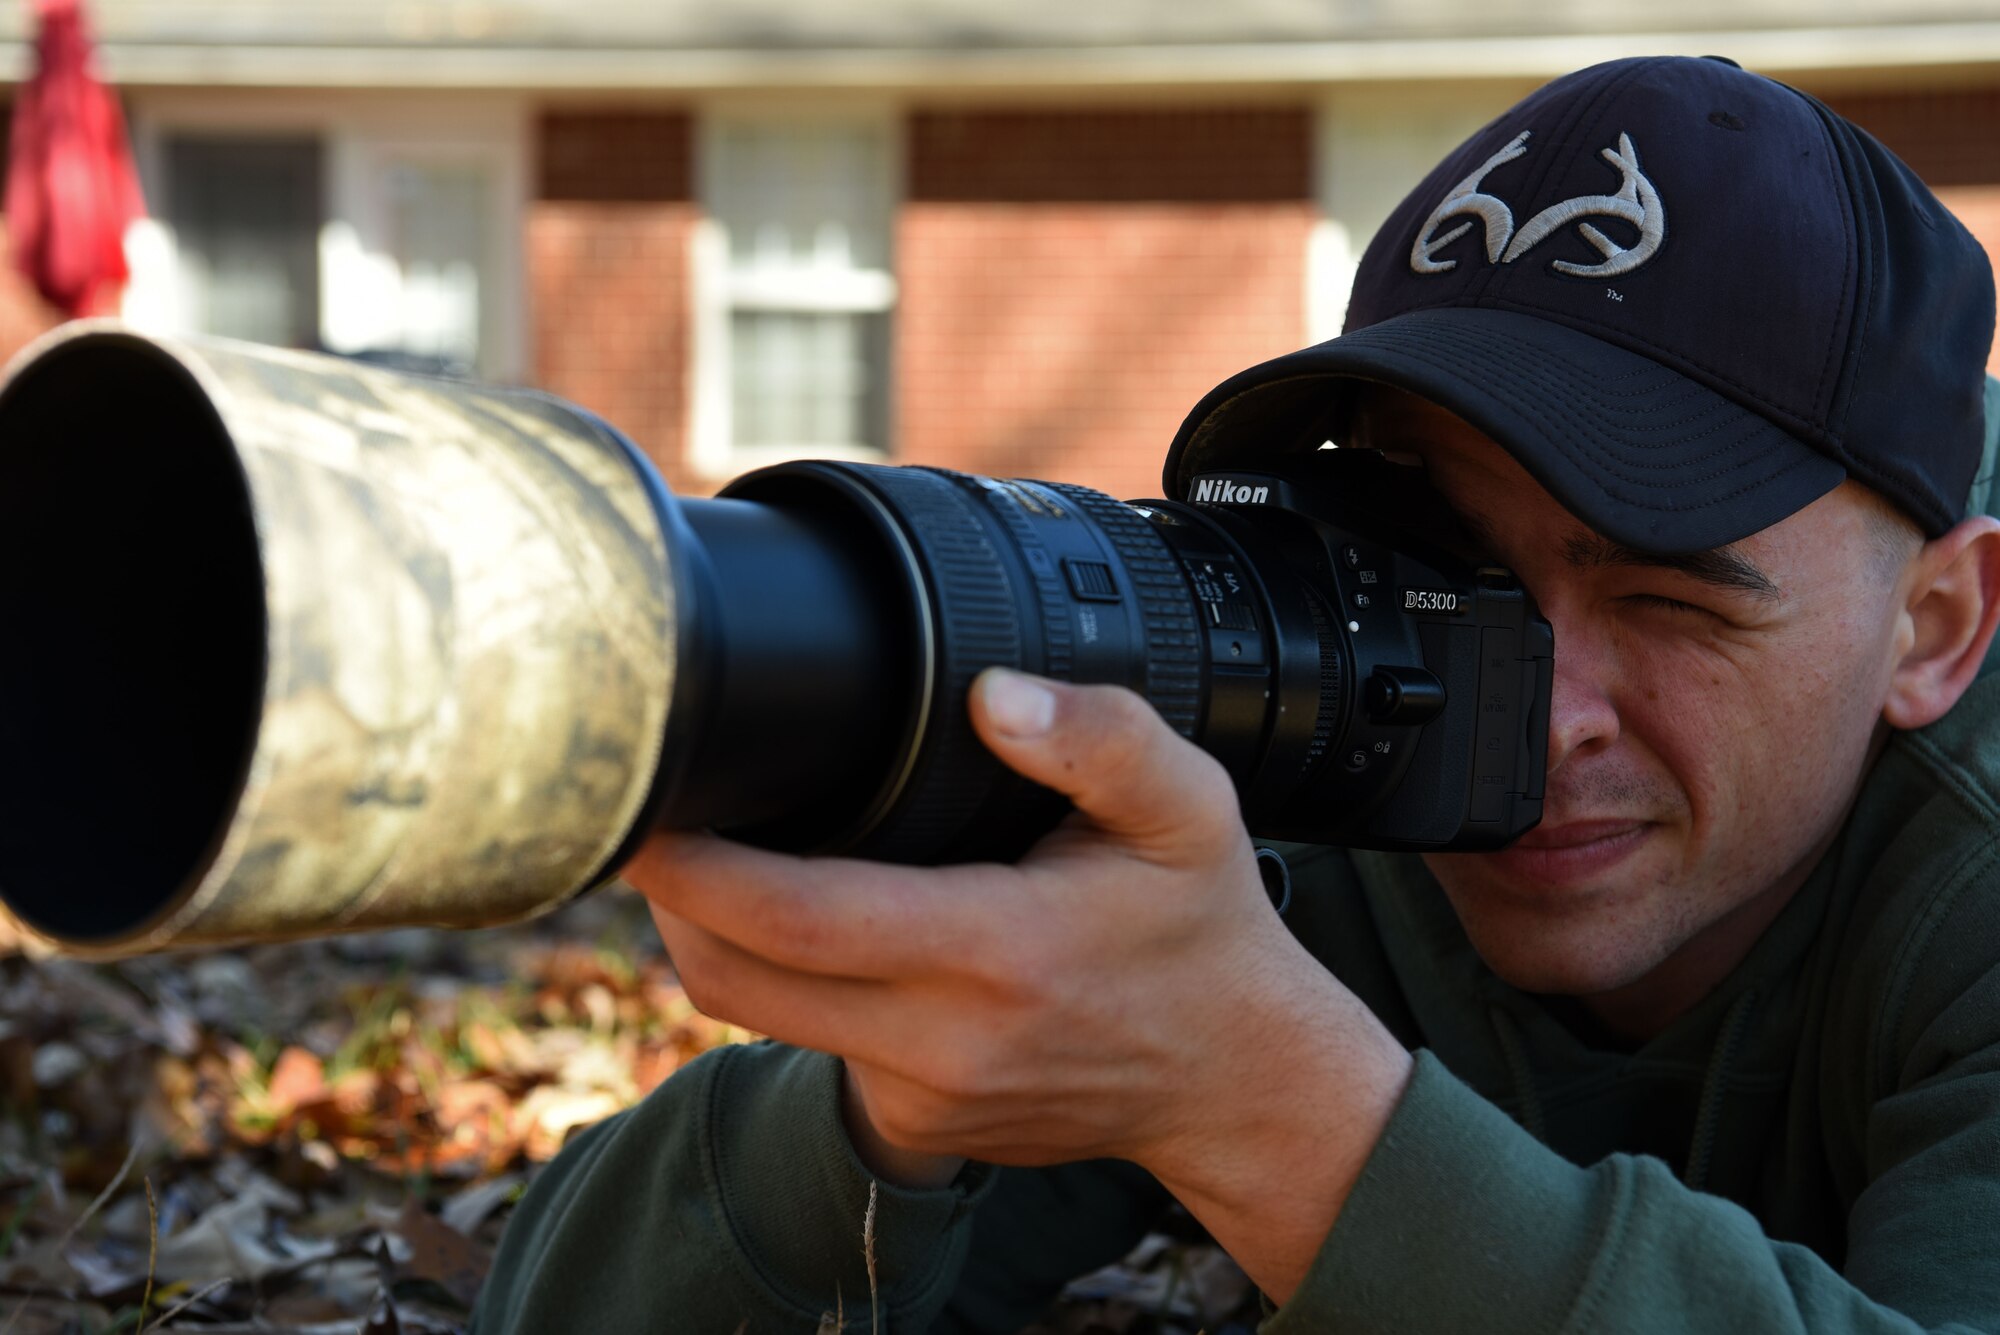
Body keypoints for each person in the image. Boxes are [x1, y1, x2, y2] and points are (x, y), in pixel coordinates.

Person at [472, 55, 2000, 1333]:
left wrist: (1264, 1101)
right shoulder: (1336, 728)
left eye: (1668, 601)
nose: (1536, 720)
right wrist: (894, 1113)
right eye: (1443, 567)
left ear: (1935, 626)